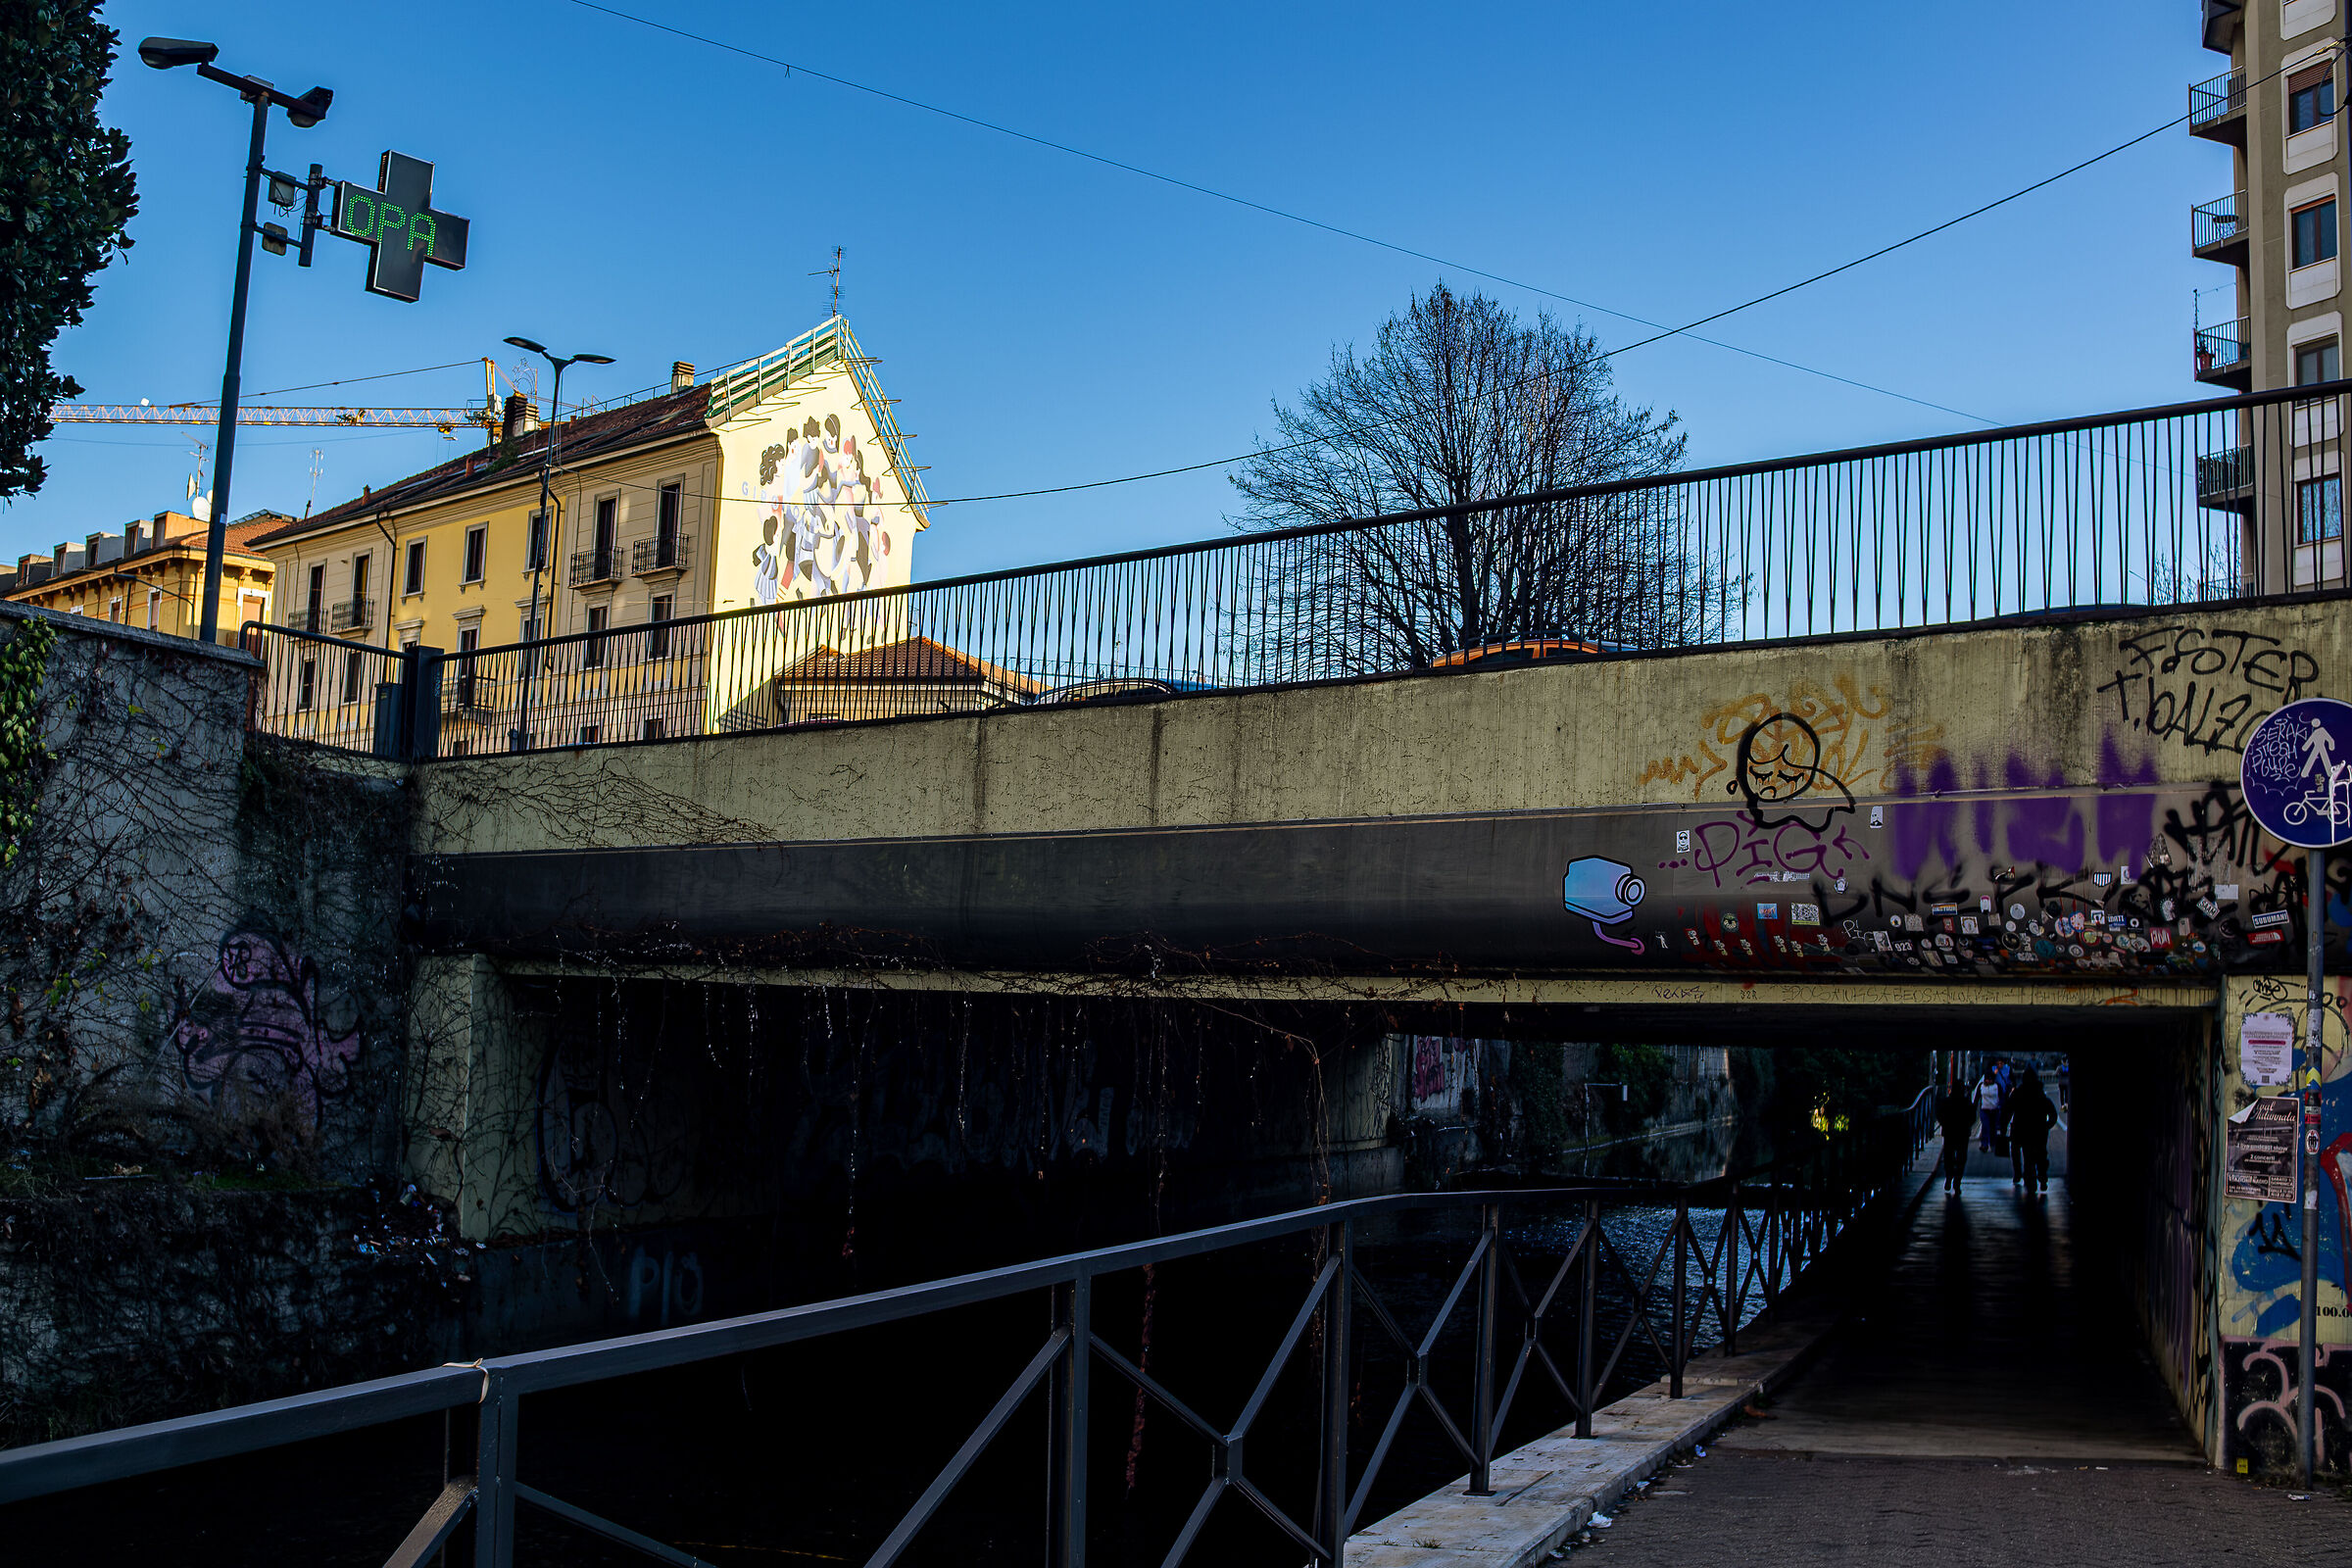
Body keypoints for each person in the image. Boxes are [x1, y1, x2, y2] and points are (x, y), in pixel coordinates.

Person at [2007, 1068, 2058, 1196]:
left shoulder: (2018, 1093)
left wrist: (2003, 1128)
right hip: (2039, 1131)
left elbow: (2008, 1110)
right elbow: (2052, 1113)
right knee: (2041, 1156)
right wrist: (2047, 1125)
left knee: (2028, 1157)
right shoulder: (2040, 1094)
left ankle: (2030, 1181)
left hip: (2021, 1130)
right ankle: (2042, 1178)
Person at [1936, 1083, 1976, 1194]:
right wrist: (1967, 1125)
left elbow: (1939, 1114)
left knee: (1948, 1156)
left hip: (1949, 1132)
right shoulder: (1967, 1102)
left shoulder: (1946, 1102)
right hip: (1963, 1133)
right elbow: (1973, 1117)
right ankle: (1957, 1181)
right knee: (1961, 1158)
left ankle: (1949, 1176)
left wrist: (1944, 1124)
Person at [1975, 1069, 2004, 1152]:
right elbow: (1977, 1097)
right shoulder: (1981, 1086)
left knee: (1993, 1127)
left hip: (1995, 1110)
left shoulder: (1997, 1086)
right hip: (1984, 1110)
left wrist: (2000, 1106)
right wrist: (1974, 1107)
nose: (1988, 1081)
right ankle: (1984, 1144)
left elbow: (2002, 1097)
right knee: (1985, 1126)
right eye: (1987, 1079)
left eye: (1990, 1079)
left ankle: (1993, 1143)